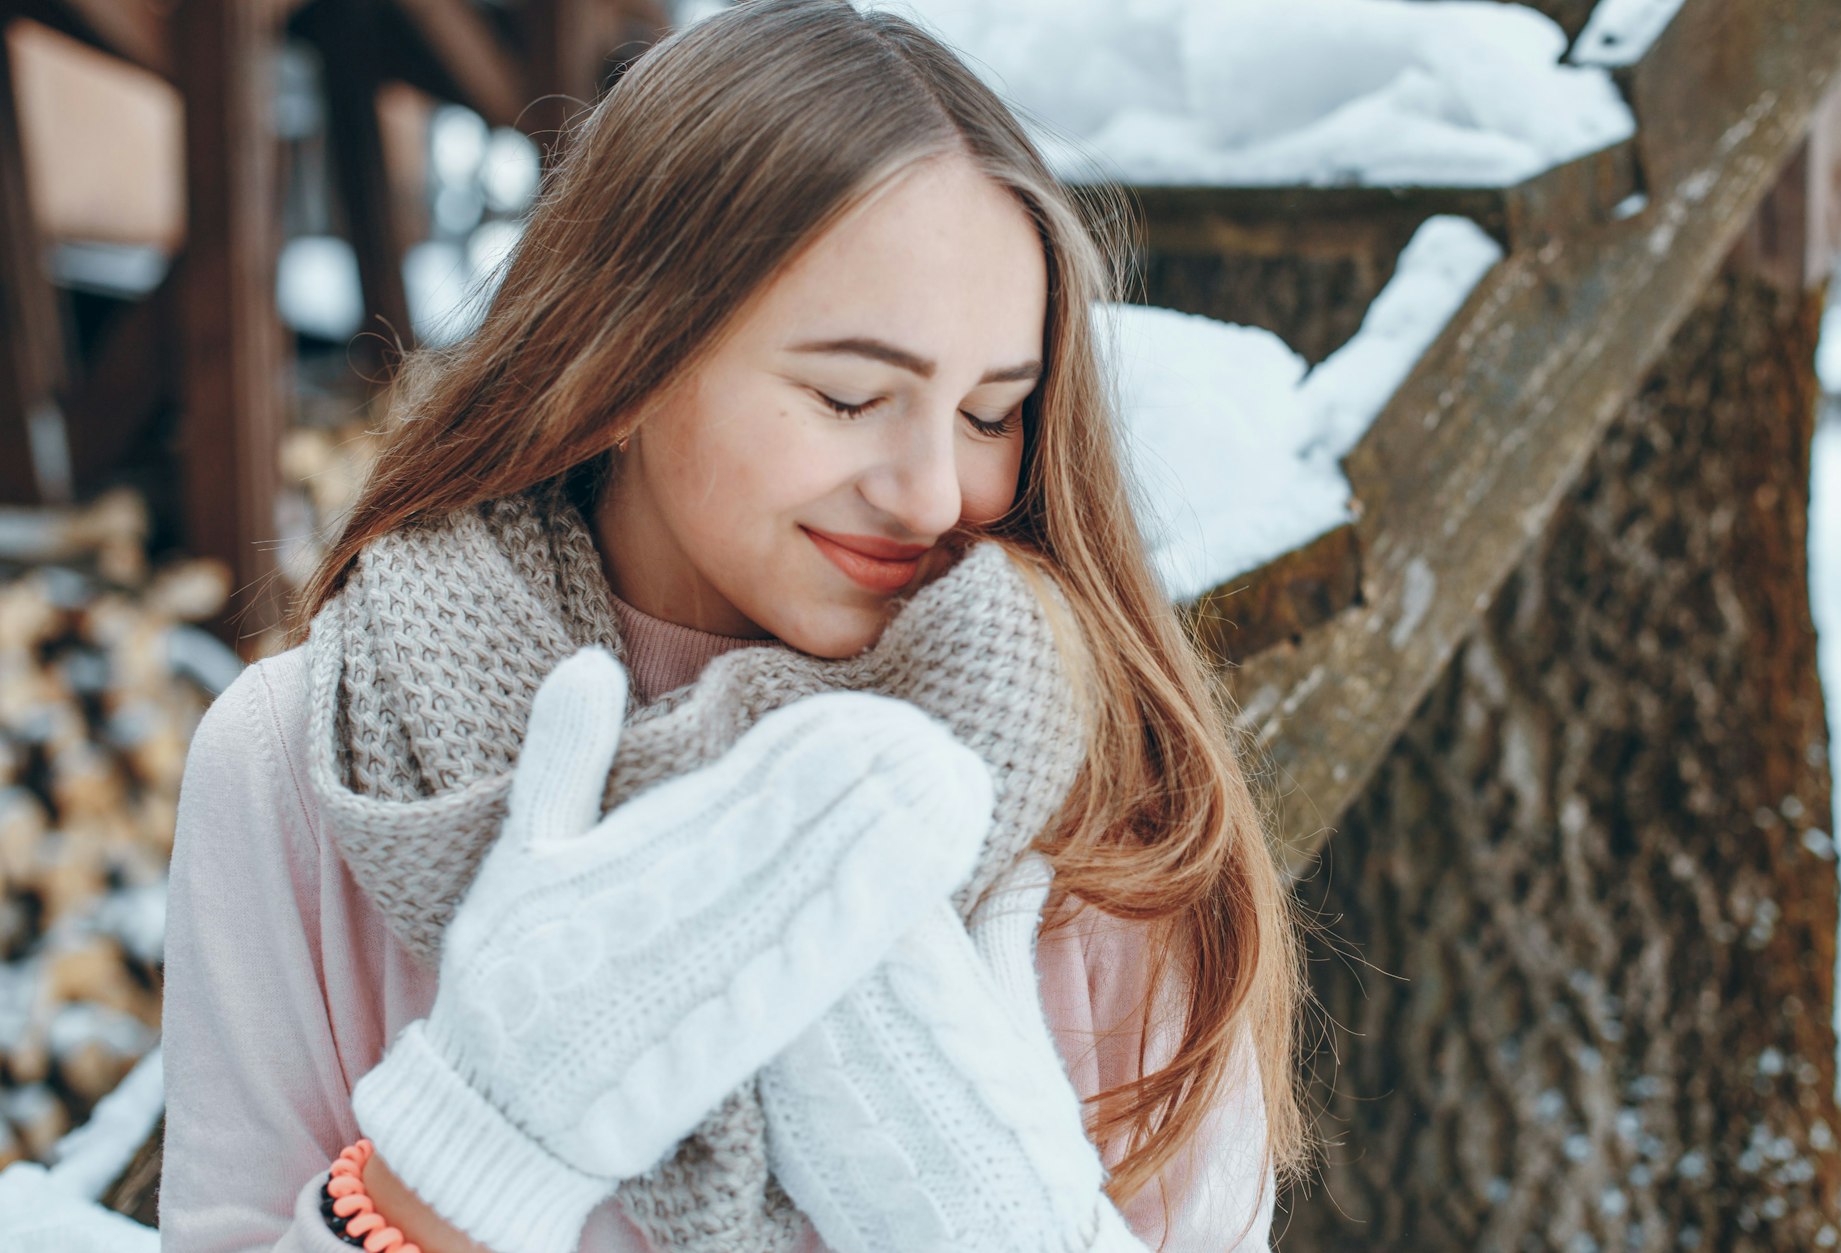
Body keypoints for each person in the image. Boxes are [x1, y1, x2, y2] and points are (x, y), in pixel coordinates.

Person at [157, 1, 1316, 1250]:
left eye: (991, 413)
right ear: (621, 364)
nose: (932, 492)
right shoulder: (295, 762)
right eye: (848, 394)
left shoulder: (1102, 797)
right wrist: (463, 1155)